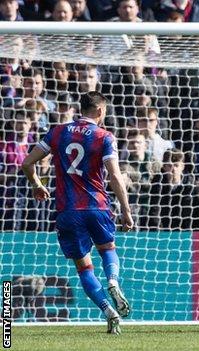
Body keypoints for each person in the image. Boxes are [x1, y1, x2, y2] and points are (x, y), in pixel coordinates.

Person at [20, 91, 134, 334]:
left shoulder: (58, 132)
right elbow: (114, 175)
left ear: (80, 109)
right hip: (97, 207)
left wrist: (37, 185)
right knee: (108, 250)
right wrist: (125, 209)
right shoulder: (104, 136)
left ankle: (107, 310)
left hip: (68, 211)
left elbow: (27, 163)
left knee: (84, 268)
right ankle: (113, 281)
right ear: (101, 111)